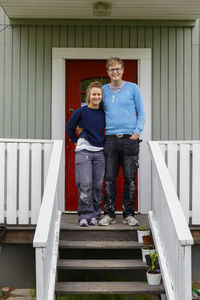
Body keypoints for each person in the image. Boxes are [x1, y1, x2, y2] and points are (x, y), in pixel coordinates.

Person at [99, 57, 146, 226]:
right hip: (110, 139)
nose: (115, 72)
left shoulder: (133, 88)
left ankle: (128, 214)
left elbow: (141, 113)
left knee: (130, 178)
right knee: (110, 178)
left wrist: (136, 133)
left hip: (129, 139)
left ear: (123, 70)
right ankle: (109, 214)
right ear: (108, 72)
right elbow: (94, 112)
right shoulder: (103, 90)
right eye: (112, 69)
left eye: (118, 69)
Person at [66, 81, 105, 227]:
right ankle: (84, 215)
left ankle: (95, 215)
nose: (96, 97)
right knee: (85, 184)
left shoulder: (103, 113)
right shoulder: (80, 112)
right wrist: (75, 140)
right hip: (84, 152)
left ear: (102, 96)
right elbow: (70, 127)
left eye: (99, 94)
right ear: (88, 95)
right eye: (93, 94)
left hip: (100, 152)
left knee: (97, 185)